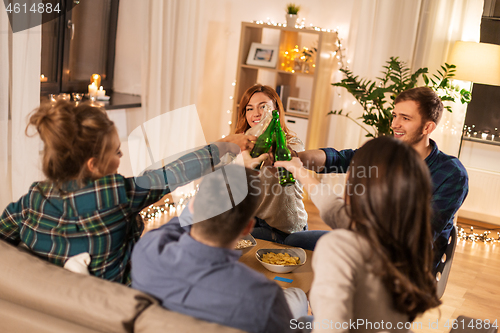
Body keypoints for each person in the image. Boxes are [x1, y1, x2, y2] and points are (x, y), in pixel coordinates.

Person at [0, 100, 259, 285]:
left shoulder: (30, 201)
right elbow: (170, 175)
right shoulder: (116, 194)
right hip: (115, 304)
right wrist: (222, 146)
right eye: (116, 152)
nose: (120, 157)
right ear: (93, 164)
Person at [276, 137, 442, 331]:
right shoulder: (405, 239)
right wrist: (299, 171)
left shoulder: (339, 247)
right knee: (299, 307)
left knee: (291, 298)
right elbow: (334, 210)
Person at [294, 87, 469, 261]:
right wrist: (297, 157)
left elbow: (418, 238)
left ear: (427, 127)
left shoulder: (451, 174)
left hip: (404, 265)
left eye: (405, 118)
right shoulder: (385, 153)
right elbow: (338, 159)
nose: (394, 124)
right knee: (292, 241)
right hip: (366, 241)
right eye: (394, 115)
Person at [131, 164, 308, 333]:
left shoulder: (147, 248)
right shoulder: (264, 297)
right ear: (247, 228)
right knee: (299, 298)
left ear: (192, 205)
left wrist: (238, 169)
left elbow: (179, 224)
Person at [235, 84, 308, 244]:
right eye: (250, 109)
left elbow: (278, 157)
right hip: (253, 222)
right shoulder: (240, 144)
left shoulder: (292, 145)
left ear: (276, 110)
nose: (256, 114)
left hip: (284, 229)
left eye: (263, 107)